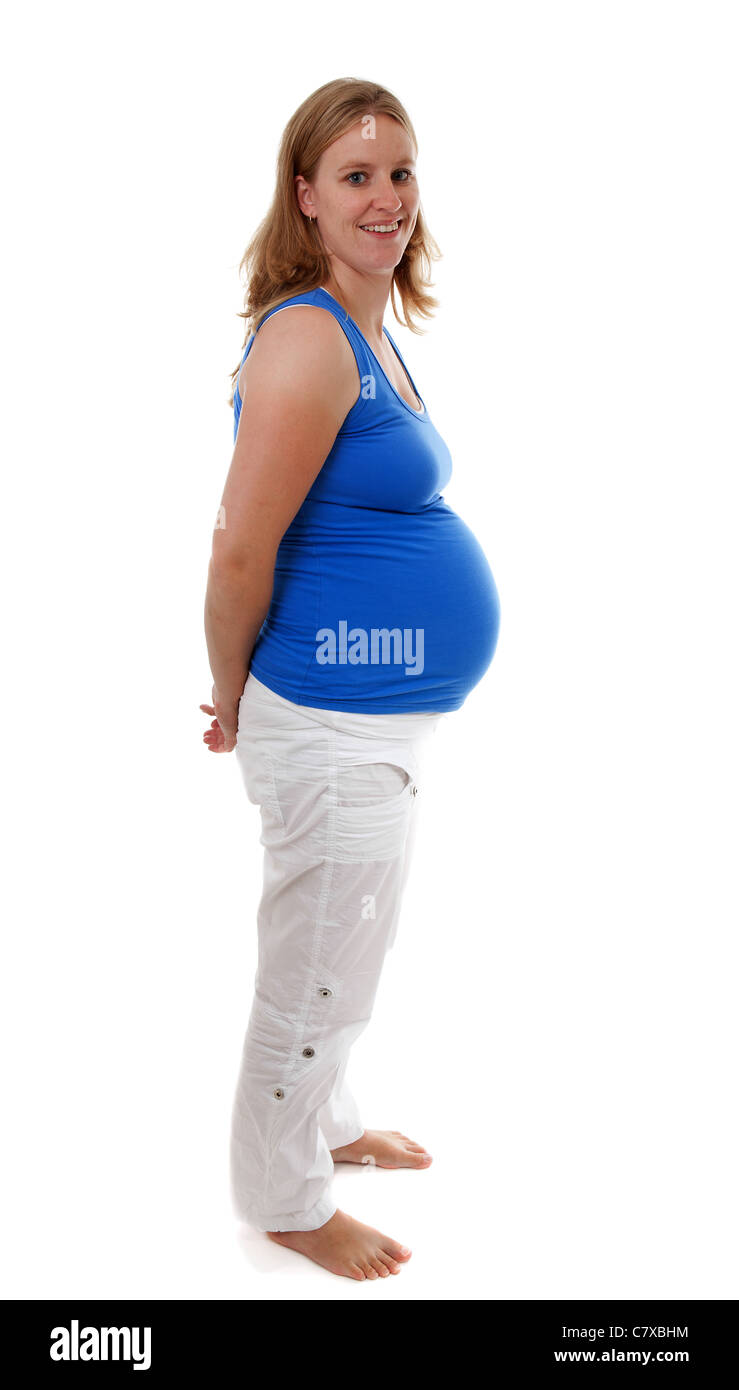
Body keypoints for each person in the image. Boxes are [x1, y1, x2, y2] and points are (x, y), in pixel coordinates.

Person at [201, 78, 501, 1281]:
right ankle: (281, 1196)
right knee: (318, 958)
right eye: (357, 176)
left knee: (350, 941)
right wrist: (230, 694)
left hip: (367, 717)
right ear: (306, 199)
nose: (386, 197)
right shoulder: (308, 336)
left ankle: (325, 1119)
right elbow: (237, 546)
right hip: (326, 716)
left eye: (400, 172)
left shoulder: (366, 326)